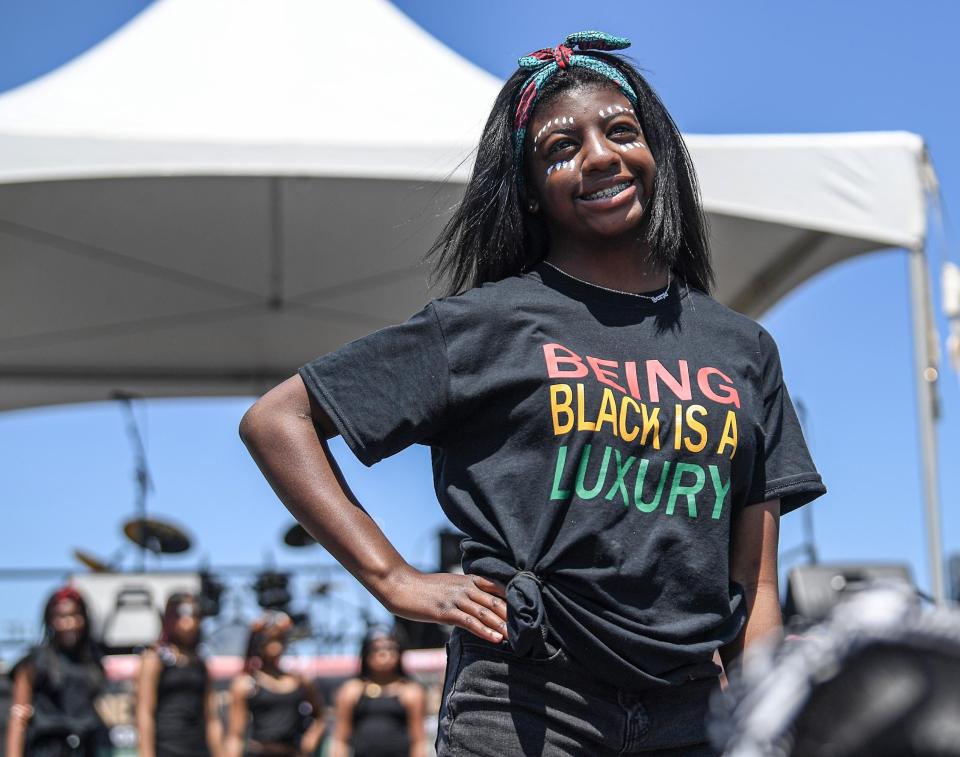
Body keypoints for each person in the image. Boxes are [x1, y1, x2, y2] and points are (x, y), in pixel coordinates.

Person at [239, 30, 826, 756]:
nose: (601, 156)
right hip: (528, 702)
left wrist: (761, 717)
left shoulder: (740, 348)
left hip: (691, 713)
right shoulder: (486, 324)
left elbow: (755, 581)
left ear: (658, 155)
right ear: (529, 188)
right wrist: (393, 578)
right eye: (561, 147)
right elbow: (279, 419)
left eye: (620, 131)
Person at [6, 585, 111, 757]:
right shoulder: (36, 660)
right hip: (48, 748)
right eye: (62, 617)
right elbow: (18, 718)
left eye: (75, 615)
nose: (69, 623)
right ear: (50, 620)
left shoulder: (93, 660)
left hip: (85, 747)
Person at [225, 611, 325, 757]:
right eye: (270, 640)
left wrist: (312, 736)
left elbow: (320, 715)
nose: (275, 646)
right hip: (260, 752)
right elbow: (235, 735)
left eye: (279, 639)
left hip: (292, 751)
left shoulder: (300, 680)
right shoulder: (248, 684)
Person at [136, 593, 222, 757]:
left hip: (199, 749)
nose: (189, 621)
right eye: (183, 613)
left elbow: (212, 718)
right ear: (170, 618)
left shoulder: (200, 664)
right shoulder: (154, 659)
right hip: (166, 749)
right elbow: (144, 714)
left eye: (196, 614)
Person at [329, 627, 426, 757]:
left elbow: (418, 740)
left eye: (390, 648)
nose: (383, 654)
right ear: (365, 653)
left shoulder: (411, 691)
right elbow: (341, 739)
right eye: (376, 649)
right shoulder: (351, 690)